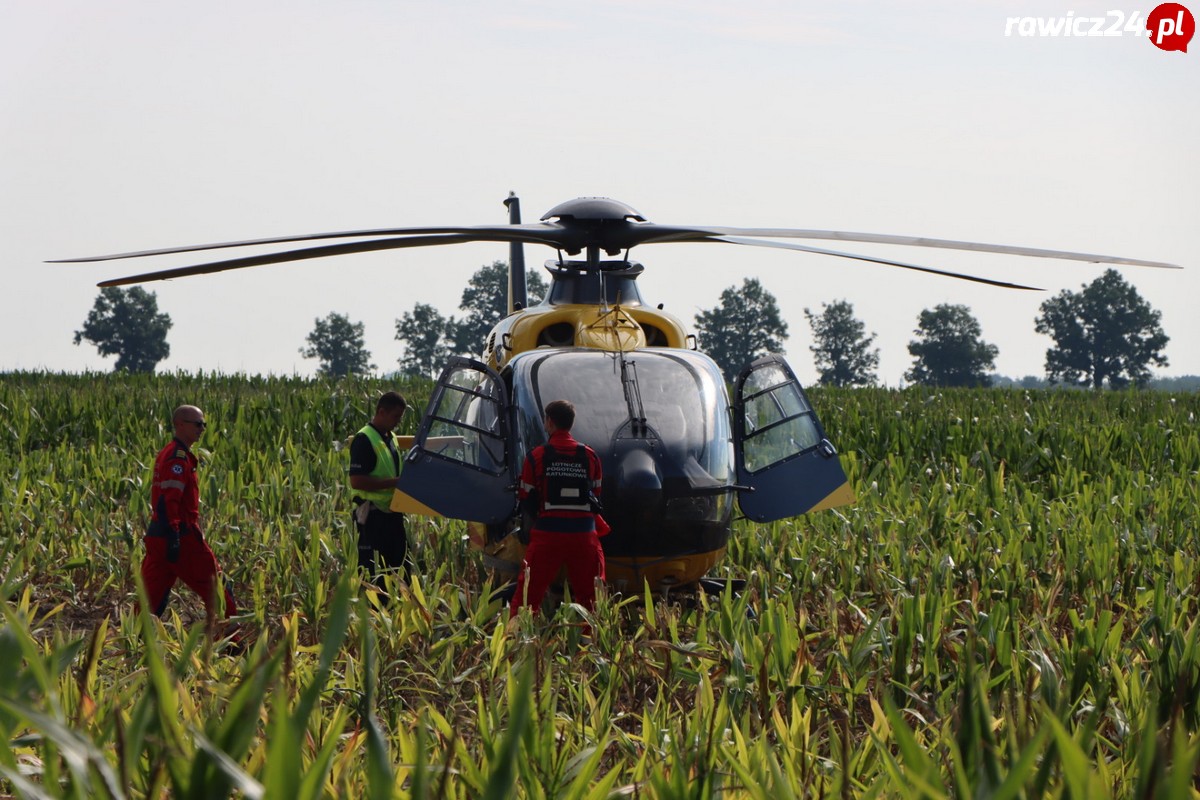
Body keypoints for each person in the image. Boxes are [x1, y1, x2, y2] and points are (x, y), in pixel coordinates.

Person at [141, 404, 239, 637]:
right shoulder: (178, 458)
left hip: (157, 536)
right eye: (197, 424)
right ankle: (232, 643)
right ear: (180, 425)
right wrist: (175, 534)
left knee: (150, 595)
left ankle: (134, 640)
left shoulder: (169, 453)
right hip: (180, 535)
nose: (202, 428)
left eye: (204, 424)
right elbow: (170, 499)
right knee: (219, 588)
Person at [511, 399, 606, 618]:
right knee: (591, 600)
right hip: (584, 536)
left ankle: (514, 641)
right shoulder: (590, 456)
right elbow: (596, 496)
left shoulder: (536, 457)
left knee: (527, 598)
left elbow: (526, 498)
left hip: (548, 535)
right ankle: (589, 644)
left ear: (550, 422)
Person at [348, 391, 409, 583]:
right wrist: (395, 483)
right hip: (373, 518)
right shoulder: (364, 439)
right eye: (395, 417)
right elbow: (356, 481)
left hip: (393, 514)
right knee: (374, 575)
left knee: (400, 572)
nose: (398, 421)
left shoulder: (391, 437)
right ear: (381, 412)